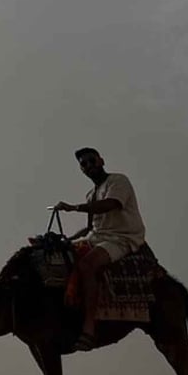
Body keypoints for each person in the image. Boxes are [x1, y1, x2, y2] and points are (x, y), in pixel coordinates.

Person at [53, 146, 146, 350]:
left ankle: (89, 327)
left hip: (121, 238)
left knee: (87, 265)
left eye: (91, 161)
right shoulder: (91, 194)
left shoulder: (118, 181)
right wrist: (67, 240)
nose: (88, 166)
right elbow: (90, 227)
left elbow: (111, 204)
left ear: (101, 161)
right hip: (98, 237)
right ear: (81, 170)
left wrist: (74, 208)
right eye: (84, 164)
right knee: (56, 255)